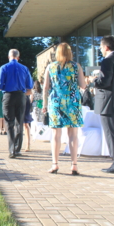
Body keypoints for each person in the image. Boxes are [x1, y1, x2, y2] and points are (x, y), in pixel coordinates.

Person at [42, 43, 85, 174]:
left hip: (56, 101)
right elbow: (82, 85)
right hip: (72, 102)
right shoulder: (76, 66)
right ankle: (74, 165)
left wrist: (44, 105)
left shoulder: (51, 66)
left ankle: (55, 164)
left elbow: (45, 88)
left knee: (56, 135)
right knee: (73, 135)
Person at [0, 49, 34, 158]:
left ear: (9, 57)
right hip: (21, 96)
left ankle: (11, 150)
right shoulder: (24, 68)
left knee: (9, 123)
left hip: (8, 96)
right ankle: (17, 149)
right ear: (18, 57)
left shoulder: (3, 68)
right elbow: (30, 86)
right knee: (19, 122)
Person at [93, 36, 114, 174]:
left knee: (112, 134)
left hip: (108, 103)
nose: (99, 49)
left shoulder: (108, 60)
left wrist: (95, 80)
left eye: (100, 46)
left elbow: (105, 82)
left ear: (106, 47)